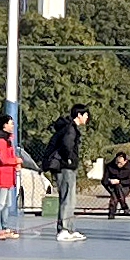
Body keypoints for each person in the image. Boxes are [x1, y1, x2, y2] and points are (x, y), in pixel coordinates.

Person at [40, 103, 91, 241]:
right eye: (86, 115)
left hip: (68, 167)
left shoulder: (70, 128)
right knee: (67, 199)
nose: (87, 117)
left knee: (71, 199)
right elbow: (66, 145)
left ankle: (69, 228)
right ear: (79, 115)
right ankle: (63, 229)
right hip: (65, 167)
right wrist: (68, 159)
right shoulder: (70, 129)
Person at [0, 116, 24, 240]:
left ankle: (4, 227)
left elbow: (9, 157)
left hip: (8, 177)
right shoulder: (0, 141)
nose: (13, 126)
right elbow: (3, 159)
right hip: (1, 177)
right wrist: (16, 161)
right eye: (11, 124)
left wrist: (15, 165)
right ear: (4, 125)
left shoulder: (8, 140)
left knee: (6, 205)